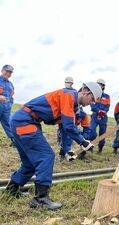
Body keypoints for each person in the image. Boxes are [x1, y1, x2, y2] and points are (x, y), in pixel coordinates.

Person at [5, 82, 101, 210]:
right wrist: (82, 141)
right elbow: (69, 126)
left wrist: (68, 150)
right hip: (25, 122)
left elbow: (65, 130)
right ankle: (41, 199)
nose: (92, 103)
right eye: (92, 99)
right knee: (46, 156)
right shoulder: (69, 95)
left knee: (29, 163)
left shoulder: (72, 106)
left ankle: (11, 190)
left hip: (21, 121)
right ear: (84, 91)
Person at [90, 78, 110, 153]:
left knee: (102, 133)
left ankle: (100, 148)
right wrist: (98, 111)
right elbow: (92, 105)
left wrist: (103, 113)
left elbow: (107, 106)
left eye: (100, 85)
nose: (98, 86)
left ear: (103, 86)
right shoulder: (93, 95)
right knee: (91, 131)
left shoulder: (107, 97)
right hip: (95, 116)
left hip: (103, 117)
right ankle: (90, 145)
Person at [0, 64, 15, 147]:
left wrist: (10, 104)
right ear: (2, 70)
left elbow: (11, 96)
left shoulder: (11, 84)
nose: (8, 73)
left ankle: (14, 141)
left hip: (6, 108)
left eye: (10, 72)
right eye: (7, 71)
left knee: (9, 123)